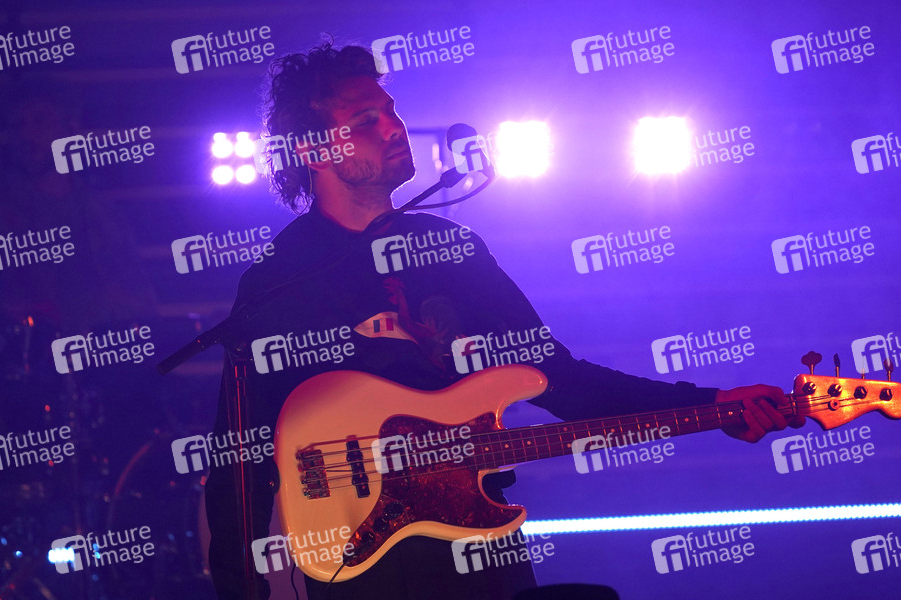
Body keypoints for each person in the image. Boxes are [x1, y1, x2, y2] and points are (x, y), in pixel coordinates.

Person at [204, 39, 804, 600]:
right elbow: (239, 458)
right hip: (365, 565)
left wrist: (714, 404)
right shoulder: (279, 279)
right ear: (313, 150)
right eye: (365, 120)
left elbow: (561, 381)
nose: (394, 127)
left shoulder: (452, 250)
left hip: (483, 550)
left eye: (391, 111)